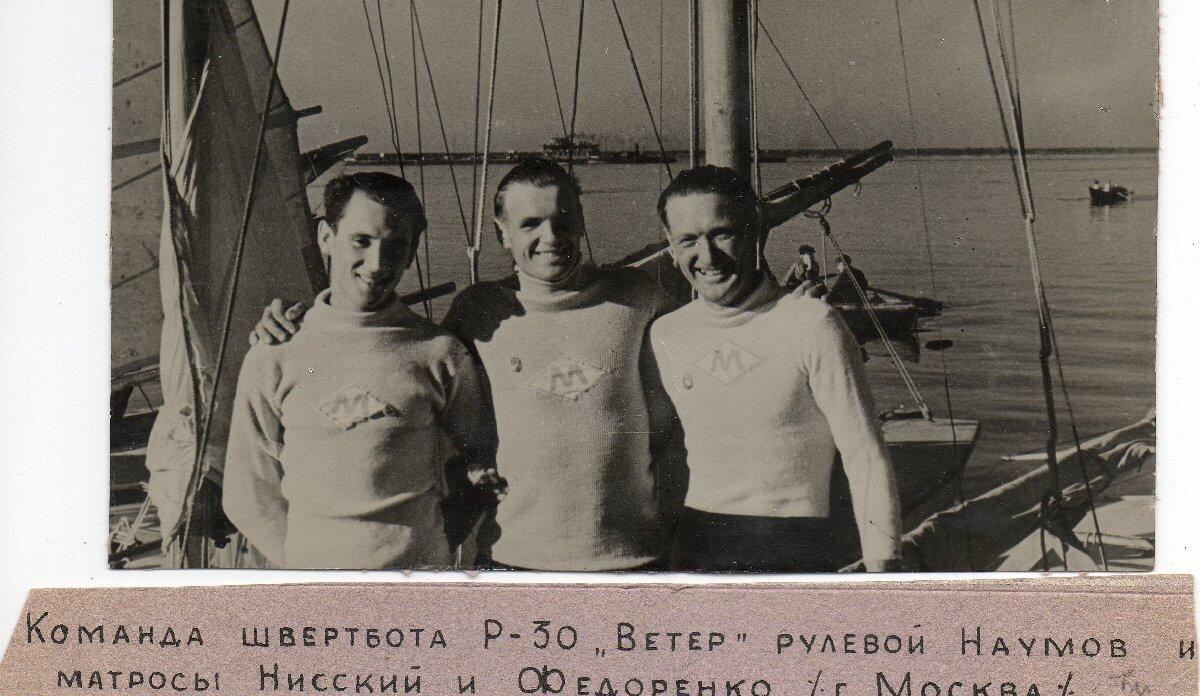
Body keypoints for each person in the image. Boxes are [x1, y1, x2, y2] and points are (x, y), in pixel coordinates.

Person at [252, 159, 681, 572]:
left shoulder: (639, 295)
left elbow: (695, 359)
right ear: (502, 233)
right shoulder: (480, 312)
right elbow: (386, 360)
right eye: (530, 223)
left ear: (582, 221)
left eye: (563, 219)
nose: (551, 236)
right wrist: (303, 321)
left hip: (632, 559)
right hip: (514, 561)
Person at [222, 173, 498, 569]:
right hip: (316, 585)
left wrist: (431, 551)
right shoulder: (275, 354)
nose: (377, 263)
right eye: (361, 241)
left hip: (417, 584)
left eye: (395, 246)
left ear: (412, 253)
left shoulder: (440, 352)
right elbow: (246, 493)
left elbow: (478, 464)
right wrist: (306, 566)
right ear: (326, 238)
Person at [649, 165, 902, 573]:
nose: (707, 256)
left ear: (755, 230)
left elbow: (865, 455)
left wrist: (883, 562)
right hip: (696, 547)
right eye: (688, 240)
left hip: (793, 546)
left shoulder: (811, 324)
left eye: (722, 233)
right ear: (670, 244)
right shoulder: (667, 334)